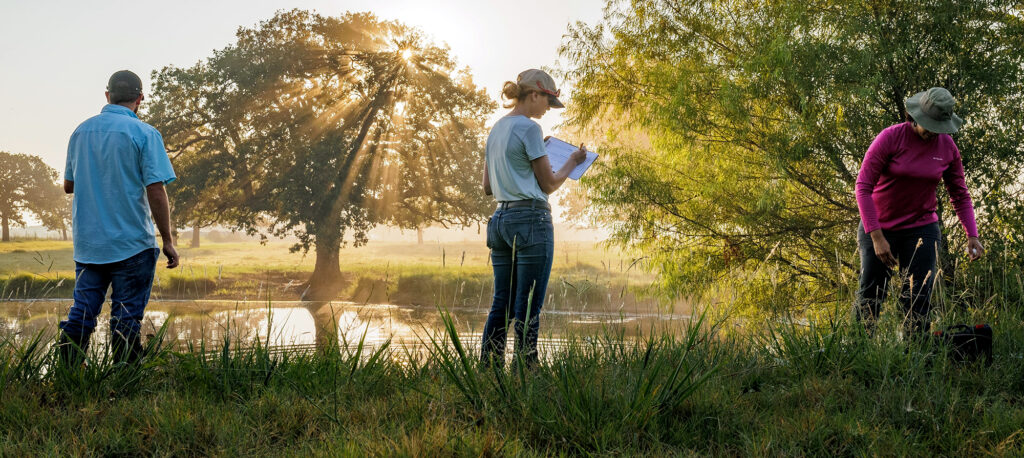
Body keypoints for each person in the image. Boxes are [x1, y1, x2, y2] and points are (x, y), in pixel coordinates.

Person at [57, 70, 179, 367]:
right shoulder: (145, 134)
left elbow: (69, 186)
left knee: (82, 313)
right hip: (132, 245)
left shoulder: (81, 132)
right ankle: (125, 379)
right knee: (126, 318)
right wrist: (168, 241)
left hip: (89, 247)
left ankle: (68, 373)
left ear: (107, 95)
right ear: (139, 99)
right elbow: (156, 189)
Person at [855, 87, 984, 337]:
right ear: (914, 118)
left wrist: (972, 234)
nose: (934, 133)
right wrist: (877, 237)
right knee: (871, 295)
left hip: (921, 228)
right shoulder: (890, 138)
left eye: (939, 127)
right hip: (880, 227)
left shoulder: (947, 148)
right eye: (929, 126)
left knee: (918, 298)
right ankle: (858, 358)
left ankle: (917, 358)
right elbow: (862, 187)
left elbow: (959, 193)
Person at [479, 69, 587, 366]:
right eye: (548, 103)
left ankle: (488, 369)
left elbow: (488, 187)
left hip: (500, 220)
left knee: (501, 303)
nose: (547, 110)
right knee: (527, 306)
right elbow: (550, 184)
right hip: (531, 220)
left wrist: (536, 152)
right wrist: (572, 160)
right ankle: (526, 372)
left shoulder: (496, 128)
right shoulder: (529, 129)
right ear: (535, 94)